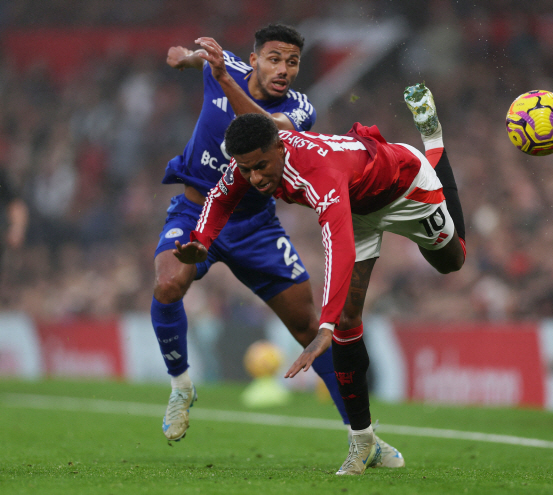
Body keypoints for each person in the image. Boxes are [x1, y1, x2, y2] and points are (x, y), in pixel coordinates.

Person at [175, 84, 466, 475]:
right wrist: (200, 240)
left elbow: (338, 246)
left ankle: (432, 137)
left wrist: (322, 326)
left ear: (280, 147)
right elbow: (220, 197)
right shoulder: (250, 161)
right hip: (358, 206)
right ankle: (362, 443)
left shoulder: (319, 173)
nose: (255, 177)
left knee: (452, 261)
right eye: (246, 169)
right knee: (349, 322)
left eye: (260, 166)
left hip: (406, 187)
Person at [155, 25, 404, 469]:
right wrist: (188, 57)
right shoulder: (224, 67)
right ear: (253, 59)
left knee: (309, 329)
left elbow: (263, 128)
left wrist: (223, 78)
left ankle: (364, 438)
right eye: (274, 59)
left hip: (255, 228)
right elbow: (203, 61)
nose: (283, 70)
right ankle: (181, 386)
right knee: (169, 285)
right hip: (196, 212)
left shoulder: (299, 108)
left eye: (292, 62)